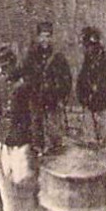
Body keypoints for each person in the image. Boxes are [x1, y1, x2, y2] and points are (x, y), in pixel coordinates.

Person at [0, 47, 37, 211]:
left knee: (23, 175)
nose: (2, 71)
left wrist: (34, 138)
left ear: (13, 65)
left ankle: (30, 208)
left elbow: (33, 112)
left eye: (5, 67)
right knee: (2, 176)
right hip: (2, 135)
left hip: (20, 135)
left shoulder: (24, 84)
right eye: (0, 67)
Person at [25, 21, 72, 151]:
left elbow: (67, 79)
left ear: (52, 38)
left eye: (48, 36)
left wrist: (62, 95)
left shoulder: (58, 58)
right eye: (42, 36)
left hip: (53, 101)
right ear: (38, 37)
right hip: (36, 100)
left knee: (54, 134)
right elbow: (26, 76)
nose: (45, 40)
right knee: (36, 132)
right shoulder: (31, 57)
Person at [75, 26, 106, 141]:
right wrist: (83, 98)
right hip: (90, 104)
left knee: (104, 139)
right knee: (91, 141)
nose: (86, 49)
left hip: (103, 104)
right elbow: (81, 82)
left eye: (88, 46)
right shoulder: (87, 62)